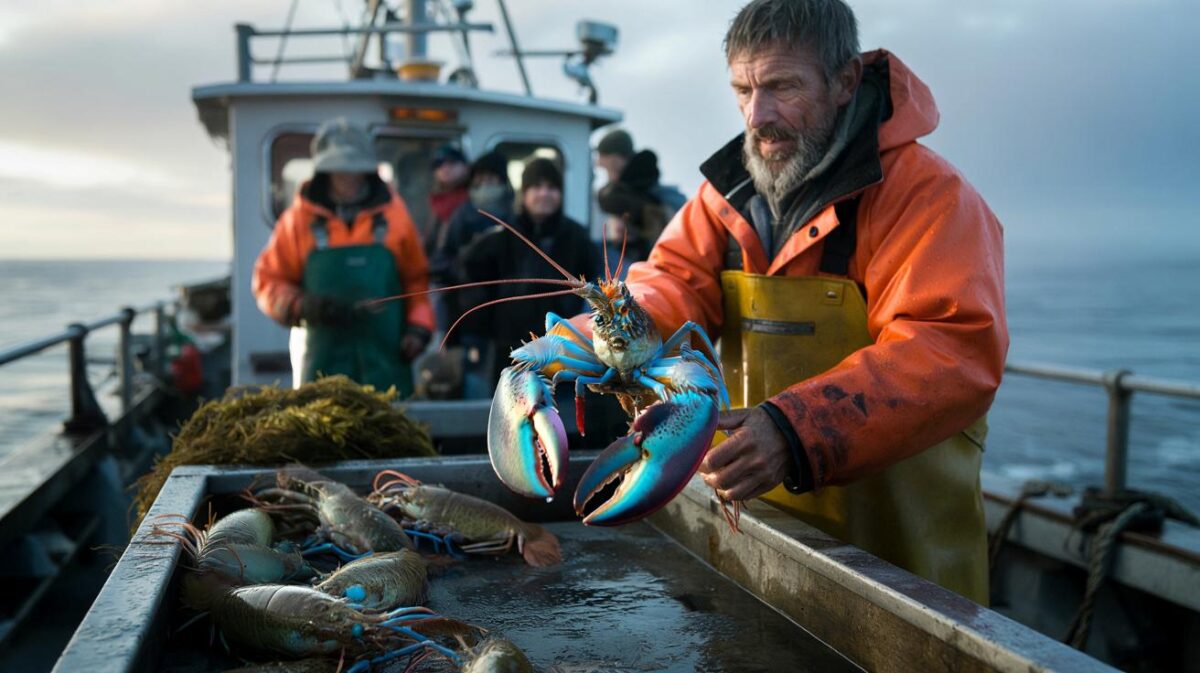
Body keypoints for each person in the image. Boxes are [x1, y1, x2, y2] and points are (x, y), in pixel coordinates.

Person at [610, 0, 1008, 603]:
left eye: (782, 86)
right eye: (742, 89)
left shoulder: (934, 198)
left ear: (845, 80)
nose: (756, 115)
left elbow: (951, 348)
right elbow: (670, 278)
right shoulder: (724, 197)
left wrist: (795, 429)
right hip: (769, 546)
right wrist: (613, 328)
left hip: (906, 572)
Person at [252, 117, 434, 397]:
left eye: (355, 170)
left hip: (387, 365)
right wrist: (301, 306)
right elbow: (268, 280)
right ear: (325, 171)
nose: (348, 178)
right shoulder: (298, 221)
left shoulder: (396, 216)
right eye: (339, 170)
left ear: (367, 170)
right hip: (322, 368)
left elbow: (416, 281)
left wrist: (419, 328)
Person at [457, 158, 601, 388]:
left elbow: (598, 283)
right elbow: (469, 276)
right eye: (536, 187)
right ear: (523, 193)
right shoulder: (500, 236)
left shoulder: (579, 237)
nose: (544, 193)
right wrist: (481, 331)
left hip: (564, 355)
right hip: (509, 352)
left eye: (552, 187)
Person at [593, 129, 688, 269]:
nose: (600, 166)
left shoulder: (660, 200)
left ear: (616, 159)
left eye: (605, 165)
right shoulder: (622, 193)